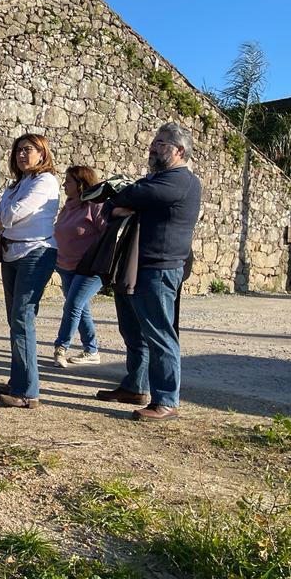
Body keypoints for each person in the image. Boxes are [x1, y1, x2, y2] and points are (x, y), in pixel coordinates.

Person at [97, 123, 202, 421]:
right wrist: (121, 204)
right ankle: (135, 386)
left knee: (159, 335)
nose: (154, 147)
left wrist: (125, 202)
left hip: (159, 269)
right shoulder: (154, 180)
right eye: (154, 141)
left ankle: (166, 401)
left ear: (179, 150)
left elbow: (130, 195)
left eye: (161, 143)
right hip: (134, 265)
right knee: (133, 331)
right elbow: (112, 203)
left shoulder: (180, 181)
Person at [0, 134, 60, 409]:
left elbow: (14, 213)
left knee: (22, 317)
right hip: (12, 252)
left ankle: (27, 392)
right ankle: (18, 380)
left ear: (42, 153)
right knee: (15, 319)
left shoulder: (46, 181)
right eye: (18, 150)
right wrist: (1, 218)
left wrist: (3, 218)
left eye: (28, 149)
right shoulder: (18, 184)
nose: (21, 154)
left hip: (36, 252)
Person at [51, 166, 106, 367]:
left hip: (90, 269)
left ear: (81, 184)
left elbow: (108, 235)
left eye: (68, 181)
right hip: (66, 267)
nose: (64, 184)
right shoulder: (68, 206)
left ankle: (61, 347)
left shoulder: (95, 206)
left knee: (73, 305)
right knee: (80, 308)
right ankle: (91, 350)